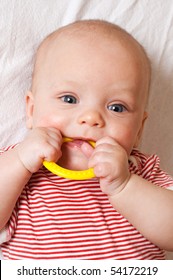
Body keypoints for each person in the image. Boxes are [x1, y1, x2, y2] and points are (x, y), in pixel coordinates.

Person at [0, 19, 173, 260]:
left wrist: (124, 187)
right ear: (31, 110)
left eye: (117, 107)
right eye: (69, 99)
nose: (91, 118)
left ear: (139, 130)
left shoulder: (141, 171)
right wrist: (19, 162)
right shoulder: (14, 166)